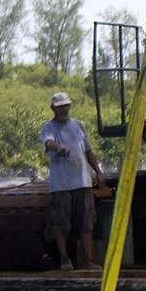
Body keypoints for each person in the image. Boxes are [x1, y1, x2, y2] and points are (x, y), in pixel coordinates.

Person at [41, 92, 104, 271]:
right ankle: (65, 259)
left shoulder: (78, 125)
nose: (63, 109)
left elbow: (88, 151)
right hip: (61, 185)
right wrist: (58, 147)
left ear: (69, 106)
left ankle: (90, 260)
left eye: (65, 106)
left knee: (86, 222)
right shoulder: (49, 127)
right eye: (59, 107)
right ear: (53, 108)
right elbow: (48, 142)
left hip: (82, 182)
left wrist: (98, 172)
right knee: (60, 223)